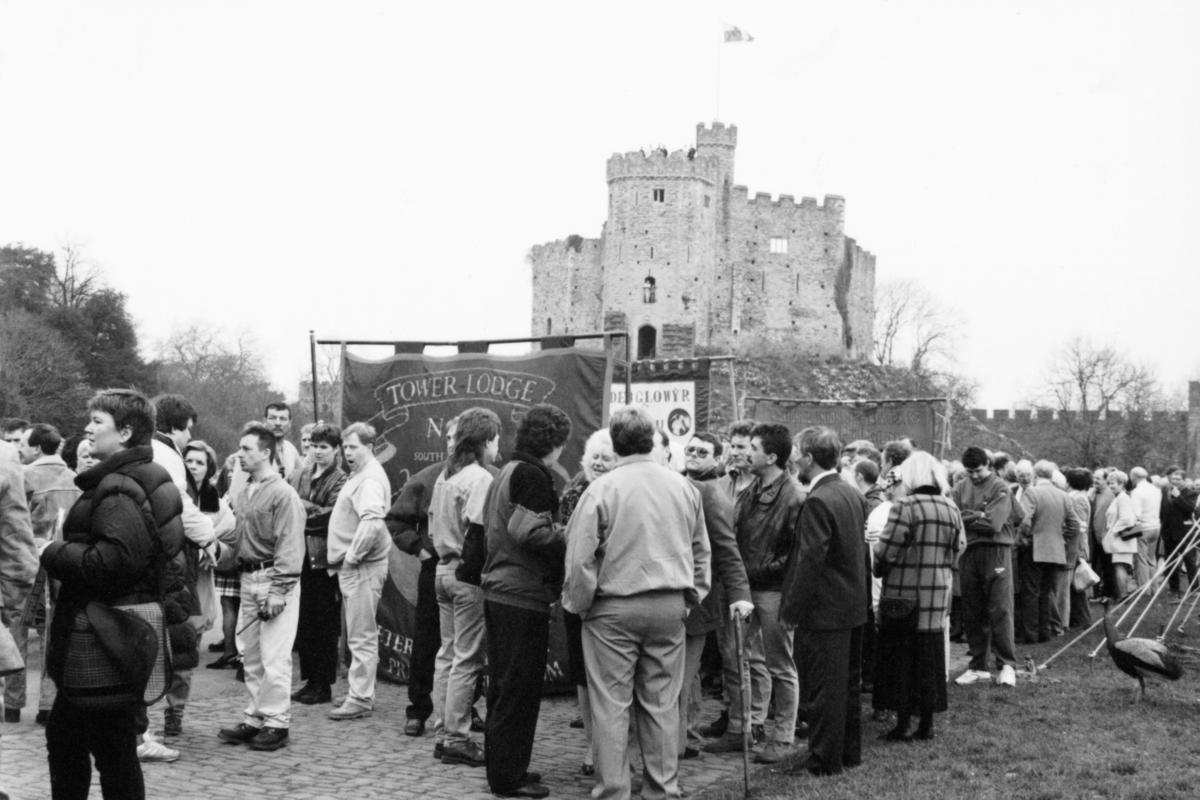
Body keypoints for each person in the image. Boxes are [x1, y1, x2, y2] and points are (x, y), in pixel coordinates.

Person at [39, 389, 185, 799]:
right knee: (102, 743)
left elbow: (115, 562)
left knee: (92, 745)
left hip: (101, 634)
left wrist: (52, 552)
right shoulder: (146, 476)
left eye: (98, 421)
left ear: (124, 432)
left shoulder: (118, 487)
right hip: (119, 632)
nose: (87, 428)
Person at [563, 405, 710, 800]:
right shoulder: (683, 487)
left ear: (616, 442)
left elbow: (579, 558)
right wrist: (691, 597)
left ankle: (614, 790)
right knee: (661, 701)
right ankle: (663, 788)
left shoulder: (601, 489)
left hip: (612, 607)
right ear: (651, 438)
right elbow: (701, 552)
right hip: (668, 606)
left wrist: (582, 603)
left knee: (610, 703)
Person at [481, 404, 572, 798]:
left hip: (501, 590)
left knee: (503, 686)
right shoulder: (534, 475)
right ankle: (507, 778)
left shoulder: (508, 470)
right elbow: (528, 532)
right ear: (554, 442)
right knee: (517, 689)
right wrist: (574, 535)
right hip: (522, 594)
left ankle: (505, 766)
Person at [706, 423, 801, 764]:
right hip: (746, 591)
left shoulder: (793, 495)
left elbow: (793, 554)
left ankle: (783, 736)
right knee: (735, 654)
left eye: (753, 448)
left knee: (780, 664)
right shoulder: (752, 488)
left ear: (771, 456)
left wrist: (753, 573)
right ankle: (741, 727)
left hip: (772, 593)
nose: (746, 453)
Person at [780, 426, 868, 777]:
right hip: (851, 605)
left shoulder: (818, 499)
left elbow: (809, 560)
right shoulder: (850, 493)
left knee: (822, 688)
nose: (795, 458)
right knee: (846, 686)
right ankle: (847, 753)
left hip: (825, 609)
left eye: (798, 452)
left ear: (810, 458)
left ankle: (823, 759)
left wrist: (791, 610)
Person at [217, 422, 305, 752]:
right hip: (247, 578)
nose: (240, 454)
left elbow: (290, 544)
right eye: (240, 448)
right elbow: (237, 538)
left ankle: (277, 721)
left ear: (266, 452)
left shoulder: (283, 494)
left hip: (272, 578)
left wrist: (280, 589)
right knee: (250, 654)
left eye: (247, 449)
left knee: (275, 655)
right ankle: (255, 717)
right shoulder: (243, 492)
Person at [870, 451, 961, 743]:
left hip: (904, 597)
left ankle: (903, 724)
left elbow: (884, 551)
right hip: (936, 597)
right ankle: (926, 725)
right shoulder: (951, 507)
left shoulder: (904, 506)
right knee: (929, 660)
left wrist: (879, 566)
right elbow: (959, 547)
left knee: (903, 661)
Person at [429, 407, 501, 767]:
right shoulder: (480, 478)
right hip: (465, 575)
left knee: (447, 654)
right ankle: (456, 737)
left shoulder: (446, 475)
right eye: (496, 439)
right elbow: (478, 531)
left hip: (441, 570)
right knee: (467, 658)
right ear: (486, 441)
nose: (498, 445)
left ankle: (443, 731)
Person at [679, 433, 752, 761]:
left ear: (716, 458)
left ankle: (681, 739)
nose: (693, 454)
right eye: (690, 448)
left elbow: (727, 550)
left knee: (684, 677)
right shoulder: (678, 482)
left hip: (698, 598)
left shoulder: (711, 494)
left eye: (702, 451)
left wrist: (740, 593)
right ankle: (681, 736)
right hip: (675, 597)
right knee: (682, 677)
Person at [385, 417, 457, 737]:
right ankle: (418, 710)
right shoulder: (426, 479)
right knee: (428, 641)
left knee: (469, 645)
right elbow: (397, 521)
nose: (457, 443)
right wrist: (420, 550)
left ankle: (463, 707)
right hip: (436, 570)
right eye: (452, 436)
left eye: (464, 437)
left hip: (474, 573)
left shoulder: (489, 479)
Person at [556, 427, 618, 776]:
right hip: (577, 595)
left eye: (605, 457)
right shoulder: (573, 491)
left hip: (611, 598)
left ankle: (620, 750)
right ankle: (593, 747)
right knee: (582, 675)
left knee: (611, 678)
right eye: (593, 455)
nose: (597, 462)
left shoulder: (621, 491)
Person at [326, 422, 392, 720]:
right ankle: (358, 691)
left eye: (354, 447)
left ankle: (361, 698)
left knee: (361, 635)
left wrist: (352, 557)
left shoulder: (369, 480)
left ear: (371, 447)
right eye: (346, 447)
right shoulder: (362, 475)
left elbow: (373, 522)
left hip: (363, 567)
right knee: (357, 633)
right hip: (357, 566)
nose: (347, 452)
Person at [14, 423, 79, 725]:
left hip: (27, 560)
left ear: (38, 448)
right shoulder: (75, 479)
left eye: (24, 444)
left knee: (17, 630)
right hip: (64, 561)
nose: (20, 450)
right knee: (53, 632)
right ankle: (47, 705)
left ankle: (12, 704)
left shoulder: (23, 477)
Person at [951, 446, 1018, 687]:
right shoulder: (960, 487)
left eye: (978, 471)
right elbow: (954, 517)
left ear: (988, 465)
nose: (975, 476)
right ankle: (978, 665)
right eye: (970, 472)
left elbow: (994, 523)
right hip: (969, 552)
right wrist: (976, 514)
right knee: (973, 610)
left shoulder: (1000, 487)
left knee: (1000, 609)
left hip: (996, 552)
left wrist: (968, 517)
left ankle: (1007, 664)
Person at [289, 423, 347, 706]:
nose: (318, 452)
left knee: (324, 623)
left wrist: (304, 509)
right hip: (299, 554)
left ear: (336, 450)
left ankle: (323, 684)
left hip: (322, 559)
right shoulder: (299, 474)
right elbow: (288, 506)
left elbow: (332, 516)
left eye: (324, 447)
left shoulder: (340, 479)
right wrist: (305, 508)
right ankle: (309, 680)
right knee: (305, 623)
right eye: (314, 446)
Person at [1017, 460, 1080, 642]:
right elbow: (1075, 525)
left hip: (1035, 548)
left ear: (1035, 475)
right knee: (1046, 592)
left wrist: (1026, 537)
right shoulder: (1064, 495)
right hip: (1055, 549)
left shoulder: (1031, 492)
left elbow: (1024, 519)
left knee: (1030, 593)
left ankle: (1030, 633)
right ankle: (1044, 632)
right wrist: (1061, 536)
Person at [1160, 466, 1199, 598]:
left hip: (1185, 533)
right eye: (1173, 478)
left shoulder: (1191, 493)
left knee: (1190, 562)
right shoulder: (1165, 491)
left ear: (1184, 480)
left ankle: (1195, 588)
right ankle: (1174, 588)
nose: (1174, 481)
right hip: (1168, 533)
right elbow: (1163, 511)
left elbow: (1190, 509)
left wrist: (1178, 497)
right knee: (1170, 562)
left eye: (1178, 479)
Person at [1101, 470, 1138, 600]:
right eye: (1109, 483)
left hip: (1121, 538)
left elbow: (1126, 519)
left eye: (1114, 483)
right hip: (1120, 538)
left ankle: (1123, 595)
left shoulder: (1123, 498)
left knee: (1120, 565)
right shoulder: (1120, 497)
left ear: (1122, 484)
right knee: (1119, 565)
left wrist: (1114, 532)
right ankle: (1121, 593)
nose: (1111, 486)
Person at [1129, 467, 1161, 590]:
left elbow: (1136, 514)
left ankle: (1144, 589)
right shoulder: (1155, 489)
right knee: (1151, 559)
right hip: (1156, 526)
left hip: (1144, 527)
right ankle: (1154, 587)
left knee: (1141, 559)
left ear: (1133, 477)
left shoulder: (1137, 492)